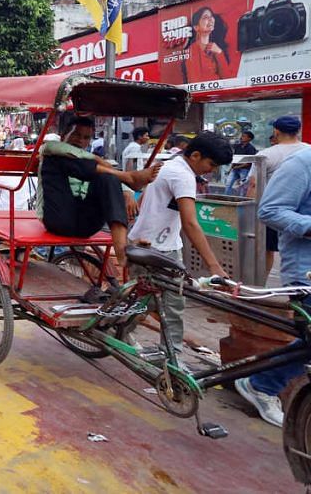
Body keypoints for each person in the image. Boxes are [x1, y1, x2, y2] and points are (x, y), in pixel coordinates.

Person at [128, 132, 232, 355]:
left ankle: (167, 353)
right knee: (163, 304)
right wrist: (213, 265)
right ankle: (170, 355)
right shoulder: (182, 176)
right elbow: (191, 223)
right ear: (195, 155)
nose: (211, 170)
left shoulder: (170, 164)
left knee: (153, 302)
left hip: (154, 245)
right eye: (211, 164)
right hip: (156, 249)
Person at [235, 147, 311, 427]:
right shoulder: (302, 163)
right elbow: (270, 210)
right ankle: (263, 384)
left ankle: (262, 383)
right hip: (306, 272)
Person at [35, 115, 159, 278]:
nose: (80, 140)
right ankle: (129, 177)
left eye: (86, 137)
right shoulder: (51, 149)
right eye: (76, 134)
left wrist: (127, 191)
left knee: (107, 178)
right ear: (64, 133)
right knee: (57, 160)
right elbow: (52, 147)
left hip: (86, 224)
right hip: (57, 218)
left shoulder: (95, 165)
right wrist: (118, 172)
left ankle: (122, 249)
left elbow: (108, 181)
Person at [248, 116, 309, 272]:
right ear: (298, 131)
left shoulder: (266, 154)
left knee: (266, 250)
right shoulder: (306, 150)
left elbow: (253, 184)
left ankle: (263, 283)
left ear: (276, 131)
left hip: (274, 212)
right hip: (299, 213)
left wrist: (251, 213)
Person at [185, 7, 230, 83]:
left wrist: (219, 52)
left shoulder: (216, 47)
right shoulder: (192, 50)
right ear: (196, 27)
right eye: (205, 17)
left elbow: (228, 78)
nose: (210, 19)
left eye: (211, 16)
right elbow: (196, 80)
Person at [225, 130, 257, 195]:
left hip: (244, 170)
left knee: (243, 186)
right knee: (228, 184)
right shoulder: (238, 146)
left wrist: (237, 167)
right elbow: (234, 158)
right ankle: (226, 198)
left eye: (244, 136)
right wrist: (230, 169)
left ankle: (241, 200)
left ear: (249, 139)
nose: (241, 137)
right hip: (235, 169)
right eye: (242, 136)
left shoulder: (251, 148)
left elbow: (249, 163)